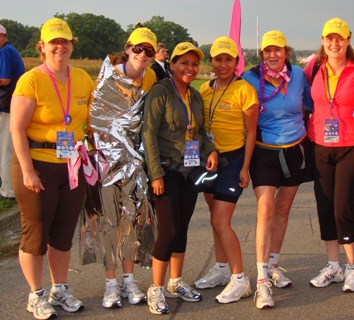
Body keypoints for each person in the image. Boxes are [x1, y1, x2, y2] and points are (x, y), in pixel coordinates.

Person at [10, 17, 94, 319]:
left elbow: (90, 122)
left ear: (72, 45)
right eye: (53, 41)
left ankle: (60, 289)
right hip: (36, 165)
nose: (60, 46)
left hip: (71, 166)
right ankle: (36, 294)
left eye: (65, 41)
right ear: (42, 46)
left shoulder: (83, 78)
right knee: (35, 234)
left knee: (62, 233)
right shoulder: (31, 80)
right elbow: (17, 129)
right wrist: (28, 170)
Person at [142, 42, 218, 314]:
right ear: (171, 65)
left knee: (182, 228)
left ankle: (175, 282)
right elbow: (148, 134)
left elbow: (200, 132)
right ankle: (156, 288)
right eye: (183, 63)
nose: (190, 68)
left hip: (189, 169)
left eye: (195, 63)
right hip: (165, 169)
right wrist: (155, 174)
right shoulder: (160, 91)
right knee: (169, 229)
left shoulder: (195, 95)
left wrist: (212, 151)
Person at [242, 30, 313, 309]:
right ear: (262, 55)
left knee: (283, 210)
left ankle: (274, 264)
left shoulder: (298, 76)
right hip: (264, 152)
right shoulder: (249, 78)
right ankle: (261, 280)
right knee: (265, 211)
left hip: (295, 150)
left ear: (286, 52)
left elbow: (312, 104)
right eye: (267, 51)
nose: (272, 55)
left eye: (278, 50)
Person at [88, 26, 158, 309]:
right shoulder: (108, 76)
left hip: (133, 162)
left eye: (149, 51)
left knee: (132, 219)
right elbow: (95, 118)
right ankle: (110, 283)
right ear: (128, 48)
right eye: (138, 48)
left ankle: (129, 278)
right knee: (108, 222)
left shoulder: (151, 77)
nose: (143, 54)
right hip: (104, 161)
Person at [194, 36, 258, 303]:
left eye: (228, 60)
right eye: (218, 59)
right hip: (210, 160)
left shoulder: (245, 90)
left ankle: (240, 279)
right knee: (214, 220)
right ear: (212, 61)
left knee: (222, 221)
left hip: (233, 161)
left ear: (236, 62)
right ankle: (221, 269)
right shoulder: (205, 89)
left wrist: (245, 167)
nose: (222, 65)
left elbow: (252, 132)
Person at [303, 18, 354, 293]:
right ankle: (333, 266)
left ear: (348, 39)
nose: (334, 43)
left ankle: (352, 268)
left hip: (350, 145)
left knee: (343, 209)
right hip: (320, 145)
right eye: (329, 38)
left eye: (339, 38)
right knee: (325, 207)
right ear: (323, 40)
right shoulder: (314, 67)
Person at [0, 24, 25, 200]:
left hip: (6, 105)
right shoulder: (10, 50)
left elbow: (4, 79)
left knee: (5, 147)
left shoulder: (4, 51)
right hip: (12, 104)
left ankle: (7, 190)